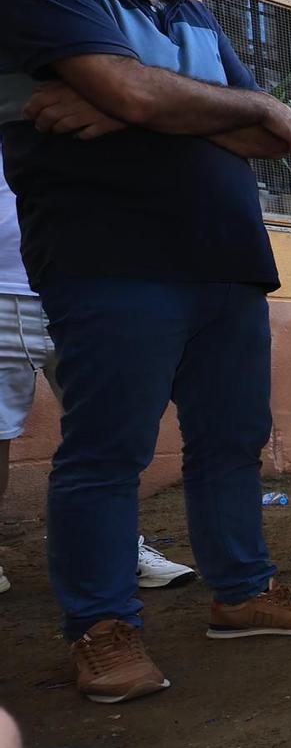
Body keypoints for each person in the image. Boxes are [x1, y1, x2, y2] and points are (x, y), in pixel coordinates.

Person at [0, 0, 291, 703]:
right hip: (108, 257)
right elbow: (146, 91)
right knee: (108, 449)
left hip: (226, 261)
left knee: (231, 439)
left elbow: (275, 128)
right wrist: (152, 100)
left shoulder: (193, 14)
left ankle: (241, 592)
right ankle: (102, 625)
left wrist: (134, 107)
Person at [0, 171, 196, 596]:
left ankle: (118, 549)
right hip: (5, 287)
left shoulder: (74, 109)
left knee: (106, 431)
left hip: (81, 285)